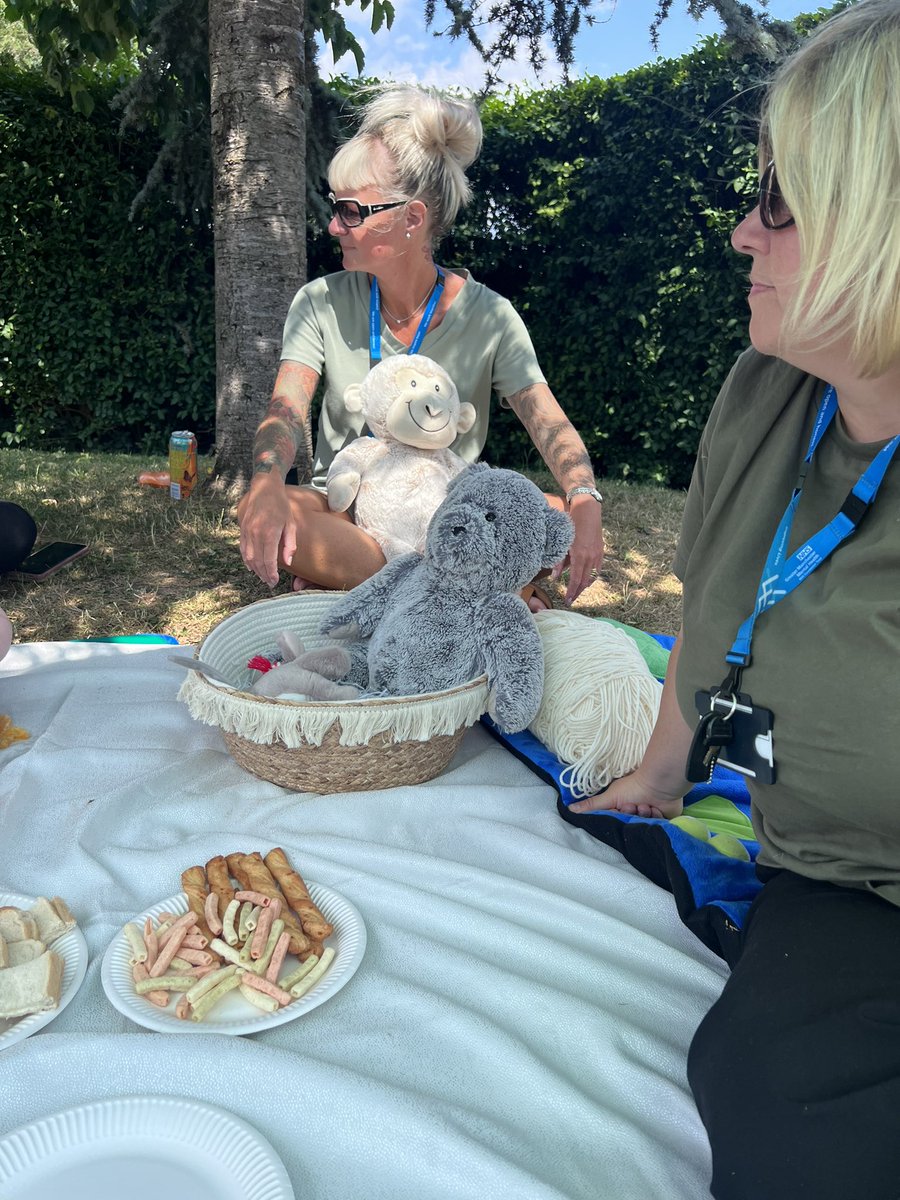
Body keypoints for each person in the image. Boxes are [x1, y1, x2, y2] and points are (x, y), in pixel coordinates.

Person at [568, 3, 900, 1196]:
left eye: (782, 200)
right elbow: (715, 619)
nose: (740, 234)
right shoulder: (765, 394)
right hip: (848, 887)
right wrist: (660, 776)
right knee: (783, 1109)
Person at [238, 86, 604, 609]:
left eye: (349, 211)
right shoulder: (318, 301)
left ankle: (366, 583)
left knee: (554, 517)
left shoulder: (491, 315)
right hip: (344, 506)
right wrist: (268, 481)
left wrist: (584, 499)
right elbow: (286, 409)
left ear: (411, 219)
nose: (332, 225)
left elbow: (548, 423)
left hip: (449, 506)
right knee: (263, 508)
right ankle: (474, 587)